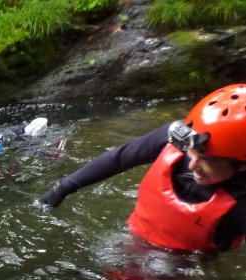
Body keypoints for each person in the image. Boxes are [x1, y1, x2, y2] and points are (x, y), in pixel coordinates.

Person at [37, 84, 246, 252]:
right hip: (134, 234)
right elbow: (119, 158)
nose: (193, 166)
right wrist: (63, 187)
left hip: (188, 264)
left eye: (208, 161)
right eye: (192, 153)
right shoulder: (181, 136)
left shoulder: (241, 206)